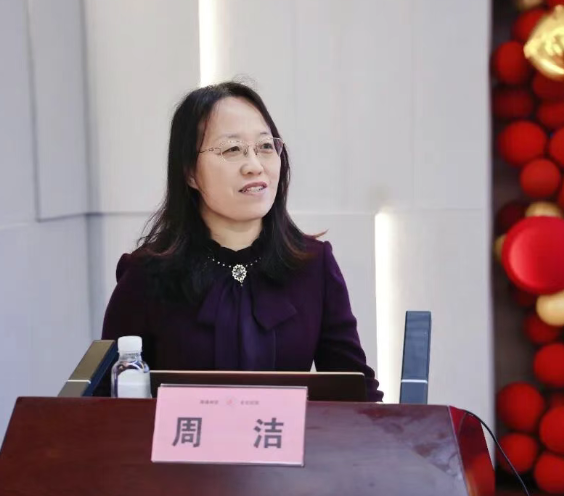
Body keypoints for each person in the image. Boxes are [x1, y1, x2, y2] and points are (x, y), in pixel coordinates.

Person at [101, 81, 383, 402]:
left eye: (265, 146)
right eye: (232, 149)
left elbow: (354, 391)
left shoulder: (313, 264)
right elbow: (107, 401)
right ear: (190, 172)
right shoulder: (146, 274)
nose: (254, 166)